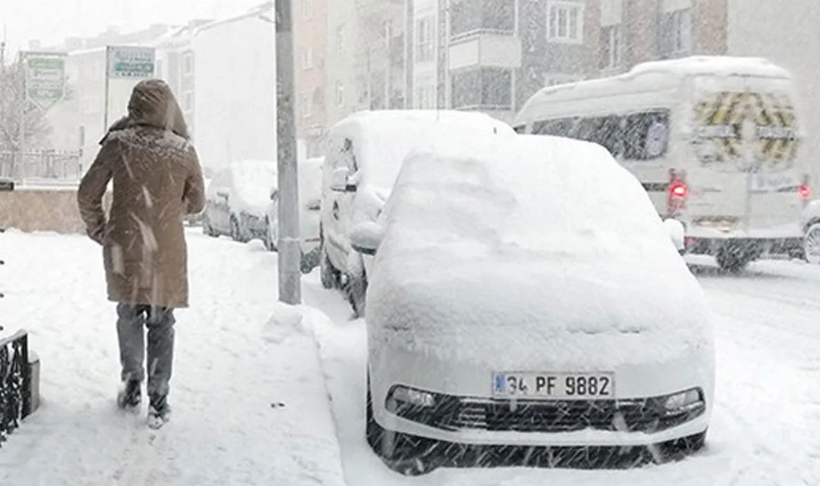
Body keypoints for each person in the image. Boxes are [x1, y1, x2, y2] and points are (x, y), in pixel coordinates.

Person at [77, 79, 205, 428]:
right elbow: (197, 203)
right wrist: (168, 206)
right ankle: (159, 395)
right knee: (162, 321)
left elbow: (87, 193)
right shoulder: (182, 150)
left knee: (129, 313)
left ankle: (132, 381)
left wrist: (100, 229)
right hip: (166, 250)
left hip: (126, 246)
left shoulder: (118, 143)